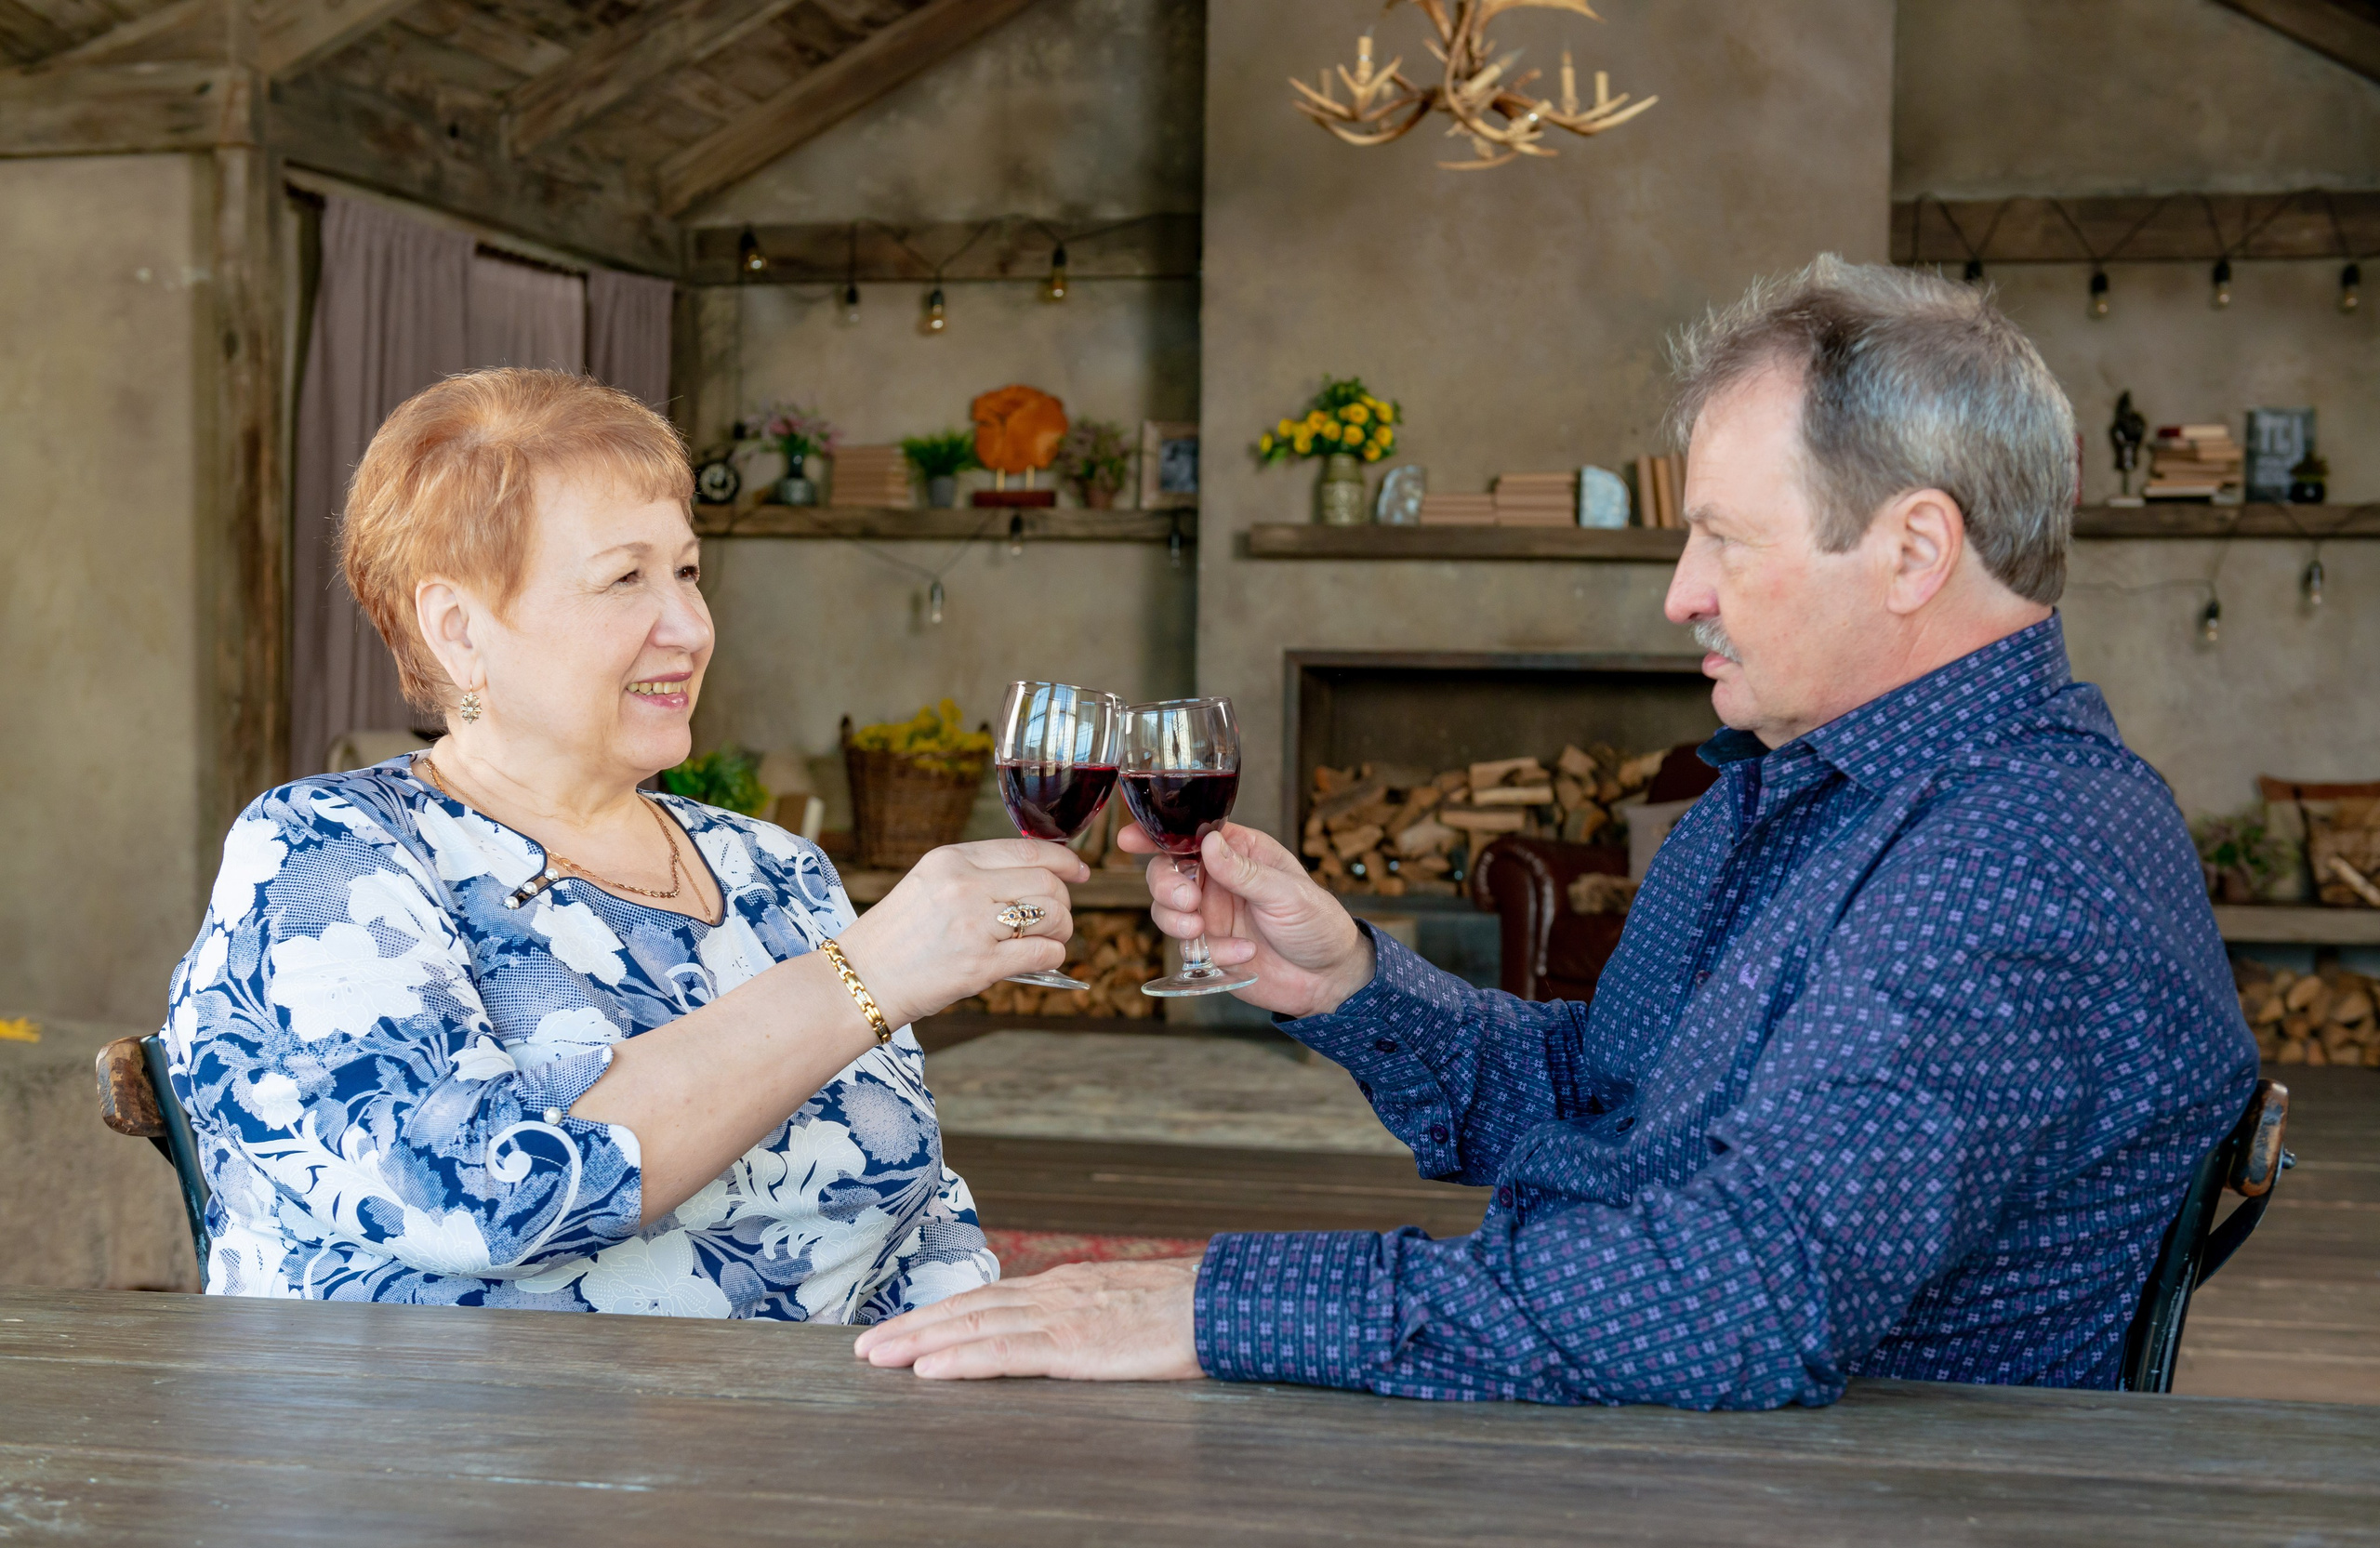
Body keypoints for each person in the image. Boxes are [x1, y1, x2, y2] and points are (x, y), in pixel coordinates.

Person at [853, 258, 2262, 1406]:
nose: (1679, 593)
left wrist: (1213, 1307)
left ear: (1912, 550)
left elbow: (1740, 1299)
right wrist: (1346, 982)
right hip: (1670, 1444)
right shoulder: (1801, 793)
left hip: (1829, 1509)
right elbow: (1608, 1099)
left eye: (1725, 539)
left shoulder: (2025, 850)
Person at [168, 368, 1085, 1318]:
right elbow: (480, 1193)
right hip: (451, 1416)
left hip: (824, 1410)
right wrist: (864, 974)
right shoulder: (328, 856)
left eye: (686, 571)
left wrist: (973, 1360)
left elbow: (921, 1216)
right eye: (624, 579)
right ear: (459, 630)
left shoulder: (775, 871)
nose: (690, 627)